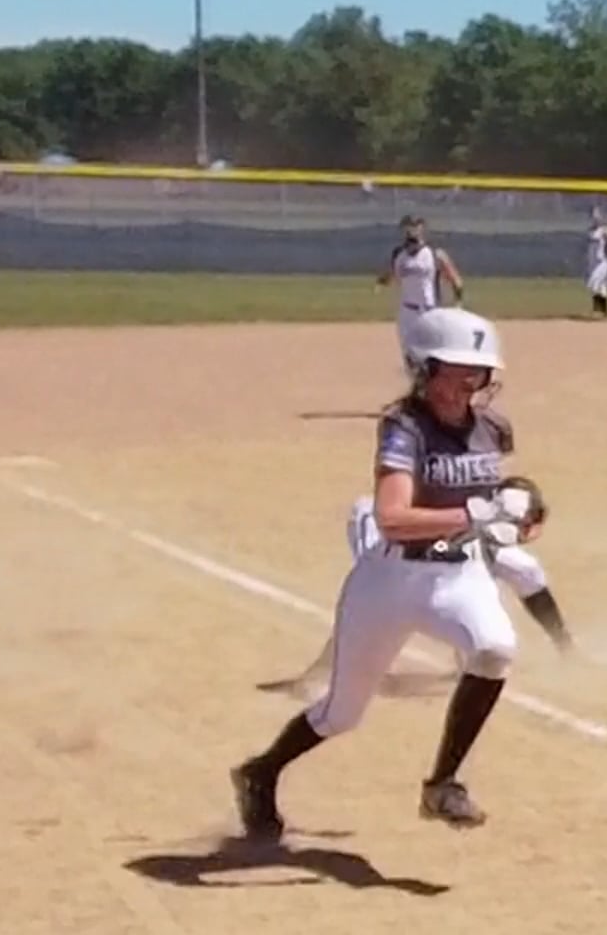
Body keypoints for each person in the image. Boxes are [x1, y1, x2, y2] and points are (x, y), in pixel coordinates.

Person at [229, 307, 540, 839]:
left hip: (458, 573)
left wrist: (518, 517)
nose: (468, 381)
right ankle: (261, 772)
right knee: (340, 715)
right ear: (424, 367)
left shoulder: (493, 429)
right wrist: (473, 514)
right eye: (455, 369)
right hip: (391, 581)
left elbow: (493, 499)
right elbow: (393, 519)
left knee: (494, 648)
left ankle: (442, 784)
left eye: (478, 371)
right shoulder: (404, 427)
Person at [263, 490, 575, 705]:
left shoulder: (506, 553)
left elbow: (535, 593)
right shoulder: (490, 542)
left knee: (459, 590)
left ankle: (462, 656)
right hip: (379, 530)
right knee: (379, 599)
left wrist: (564, 645)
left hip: (433, 545)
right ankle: (319, 676)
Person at [377, 215, 464, 369]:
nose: (411, 231)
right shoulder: (399, 254)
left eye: (415, 227)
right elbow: (391, 274)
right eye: (407, 227)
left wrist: (458, 302)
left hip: (429, 310)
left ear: (422, 229)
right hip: (407, 311)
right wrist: (381, 282)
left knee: (432, 352)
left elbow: (455, 279)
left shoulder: (434, 254)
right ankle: (417, 378)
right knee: (409, 354)